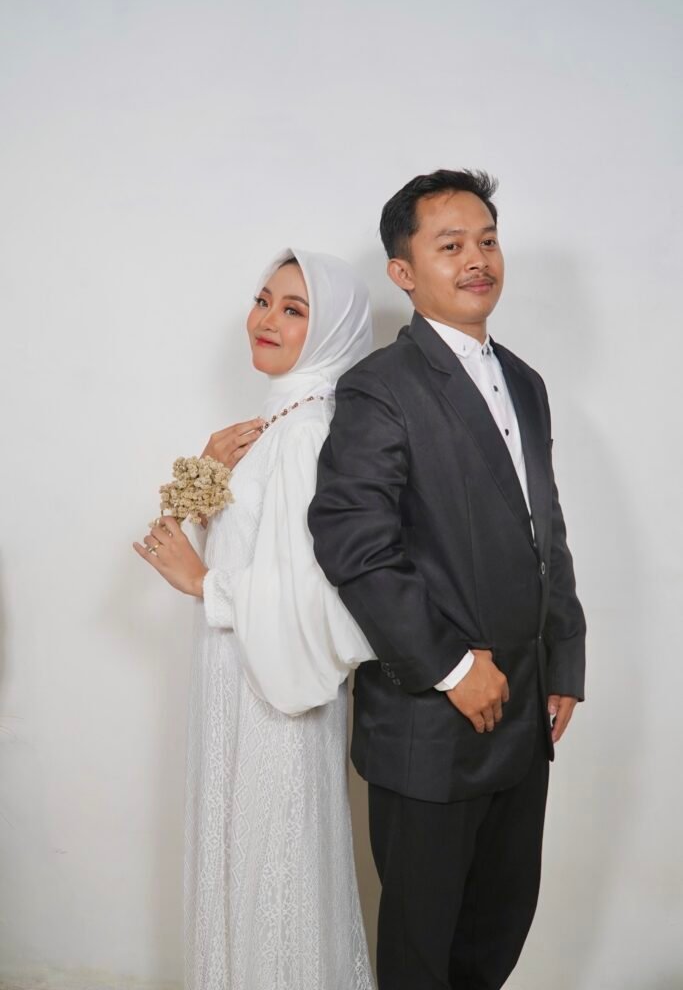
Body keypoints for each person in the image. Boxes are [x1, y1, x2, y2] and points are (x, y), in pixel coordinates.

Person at [308, 170, 587, 990]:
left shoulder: (524, 382)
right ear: (403, 271)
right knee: (423, 946)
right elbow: (352, 542)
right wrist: (452, 666)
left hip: (525, 709)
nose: (477, 259)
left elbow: (544, 528)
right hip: (431, 720)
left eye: (487, 241)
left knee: (496, 928)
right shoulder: (379, 387)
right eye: (451, 245)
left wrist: (563, 657)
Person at [133, 249, 376, 990]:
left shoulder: (307, 432)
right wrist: (207, 470)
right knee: (248, 857)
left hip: (274, 690)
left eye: (294, 309)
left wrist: (203, 583)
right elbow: (176, 537)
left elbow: (313, 593)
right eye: (263, 299)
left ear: (330, 329)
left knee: (275, 864)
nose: (265, 319)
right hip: (238, 674)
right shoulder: (277, 421)